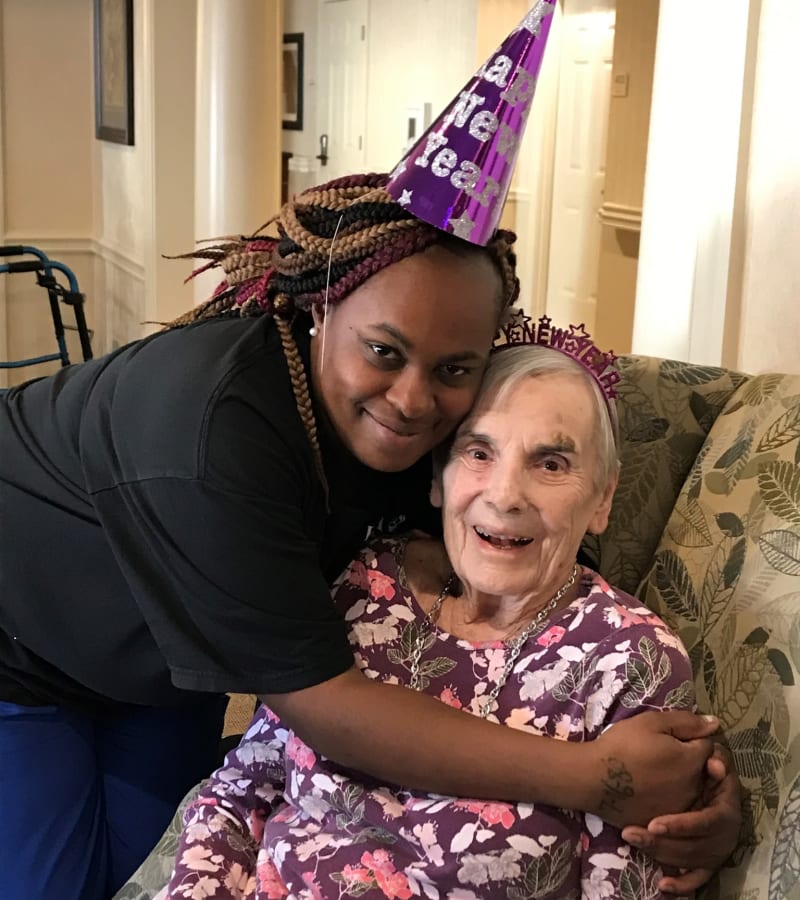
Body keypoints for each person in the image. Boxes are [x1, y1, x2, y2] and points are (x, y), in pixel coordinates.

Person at [0, 176, 733, 899]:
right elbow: (322, 703)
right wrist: (605, 779)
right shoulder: (210, 431)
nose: (413, 401)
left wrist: (695, 788)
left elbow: (543, 538)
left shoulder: (440, 435)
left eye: (453, 368)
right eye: (384, 352)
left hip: (167, 659)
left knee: (126, 865)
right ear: (320, 305)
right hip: (20, 641)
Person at [164, 337, 735, 899]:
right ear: (437, 480)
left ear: (603, 500)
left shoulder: (629, 660)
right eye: (479, 452)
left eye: (551, 463)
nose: (506, 494)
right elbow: (237, 798)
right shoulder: (368, 583)